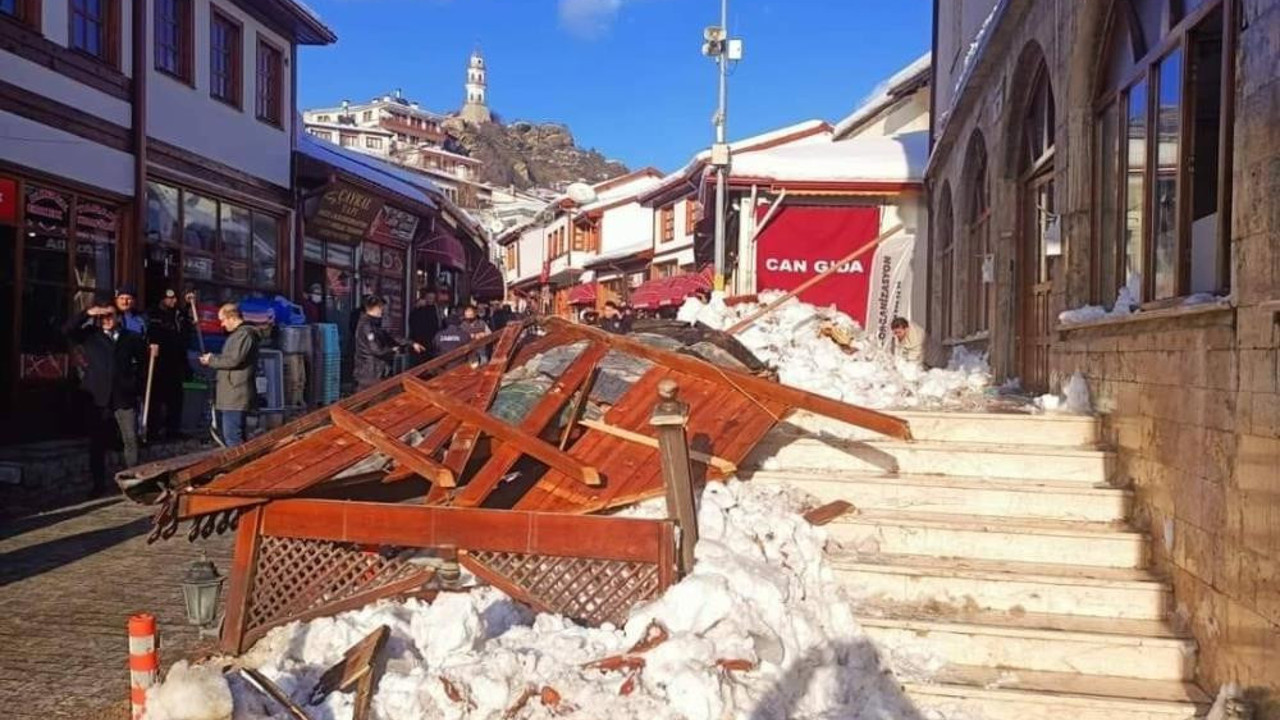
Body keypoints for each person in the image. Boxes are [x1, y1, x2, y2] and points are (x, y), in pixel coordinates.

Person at [65, 302, 153, 495]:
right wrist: (87, 312)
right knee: (97, 442)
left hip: (123, 396)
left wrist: (134, 384)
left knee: (130, 439)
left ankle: (133, 483)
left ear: (118, 317)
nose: (107, 320)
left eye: (110, 315)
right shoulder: (91, 335)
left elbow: (143, 364)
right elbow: (67, 329)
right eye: (103, 316)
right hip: (98, 398)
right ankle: (98, 485)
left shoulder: (131, 338)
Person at [199, 304, 262, 447]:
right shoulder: (240, 335)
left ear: (232, 318)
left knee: (232, 437)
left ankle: (241, 467)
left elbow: (234, 359)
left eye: (223, 320)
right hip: (231, 392)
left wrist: (212, 360)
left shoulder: (244, 334)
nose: (221, 324)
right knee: (233, 435)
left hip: (235, 394)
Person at [147, 288, 195, 440]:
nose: (173, 301)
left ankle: (173, 430)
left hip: (176, 360)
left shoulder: (178, 314)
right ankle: (152, 431)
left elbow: (186, 330)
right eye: (169, 298)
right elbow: (154, 335)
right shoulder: (155, 314)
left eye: (175, 298)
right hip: (160, 362)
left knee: (175, 398)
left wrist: (189, 306)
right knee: (156, 399)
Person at [352, 294, 424, 391]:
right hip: (369, 373)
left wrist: (411, 343)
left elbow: (392, 336)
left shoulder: (376, 323)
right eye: (381, 307)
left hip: (377, 372)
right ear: (376, 308)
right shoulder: (366, 325)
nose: (383, 310)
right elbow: (376, 350)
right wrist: (392, 350)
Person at [408, 289, 441, 364]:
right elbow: (412, 323)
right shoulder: (419, 308)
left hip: (431, 342)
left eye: (433, 298)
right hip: (419, 341)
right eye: (429, 298)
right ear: (425, 298)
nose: (431, 300)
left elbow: (438, 324)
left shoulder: (435, 309)